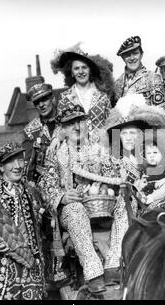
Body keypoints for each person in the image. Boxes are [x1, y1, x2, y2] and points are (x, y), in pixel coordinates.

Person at [38, 103, 128, 294]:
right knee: (74, 209)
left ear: (87, 123)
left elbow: (113, 172)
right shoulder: (56, 153)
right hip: (75, 207)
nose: (77, 128)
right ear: (63, 129)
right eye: (71, 124)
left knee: (124, 200)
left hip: (102, 202)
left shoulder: (100, 147)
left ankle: (114, 264)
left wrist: (110, 185)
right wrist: (62, 196)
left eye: (80, 121)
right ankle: (93, 271)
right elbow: (45, 184)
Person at [0, 142, 46, 300]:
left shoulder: (33, 193)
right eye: (11, 162)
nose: (17, 166)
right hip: (0, 271)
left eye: (20, 160)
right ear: (1, 167)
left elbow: (45, 228)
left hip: (32, 271)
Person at [54, 47, 112, 144]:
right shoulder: (64, 97)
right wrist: (55, 139)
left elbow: (111, 124)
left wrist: (114, 151)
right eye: (76, 68)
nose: (81, 72)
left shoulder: (103, 97)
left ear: (90, 71)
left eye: (84, 67)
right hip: (76, 152)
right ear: (72, 73)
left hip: (100, 152)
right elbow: (59, 126)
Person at [22, 82, 59, 183]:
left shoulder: (67, 121)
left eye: (44, 99)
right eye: (37, 102)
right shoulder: (30, 131)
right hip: (46, 183)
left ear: (52, 98)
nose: (41, 105)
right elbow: (27, 164)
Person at [115, 36, 165, 107]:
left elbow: (161, 112)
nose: (132, 58)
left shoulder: (153, 79)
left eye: (135, 53)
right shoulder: (117, 83)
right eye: (127, 55)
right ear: (123, 58)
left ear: (141, 55)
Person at [140, 137, 165, 206]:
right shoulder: (146, 169)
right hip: (151, 197)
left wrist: (164, 180)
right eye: (148, 153)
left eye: (155, 152)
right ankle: (147, 201)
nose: (152, 155)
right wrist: (141, 184)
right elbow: (142, 185)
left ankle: (148, 199)